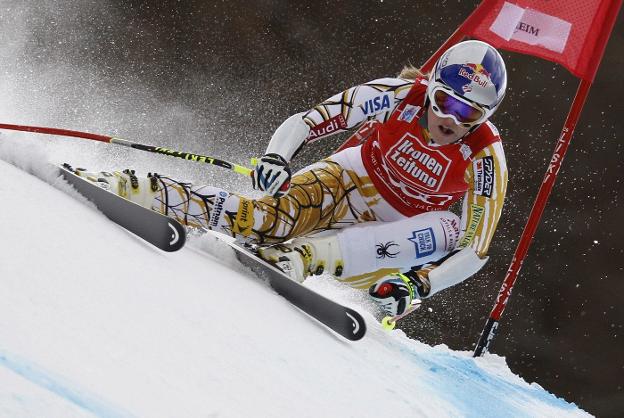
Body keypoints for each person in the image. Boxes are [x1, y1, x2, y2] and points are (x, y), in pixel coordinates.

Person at [73, 40, 507, 318]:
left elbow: (478, 250)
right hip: (352, 181)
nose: (451, 119)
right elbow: (311, 120)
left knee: (451, 230)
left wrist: (419, 287)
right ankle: (138, 187)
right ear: (431, 89)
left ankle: (301, 257)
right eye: (445, 102)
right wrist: (277, 158)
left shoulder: (486, 158)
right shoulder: (397, 96)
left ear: (484, 117)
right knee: (269, 221)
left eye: (468, 113)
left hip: (391, 238)